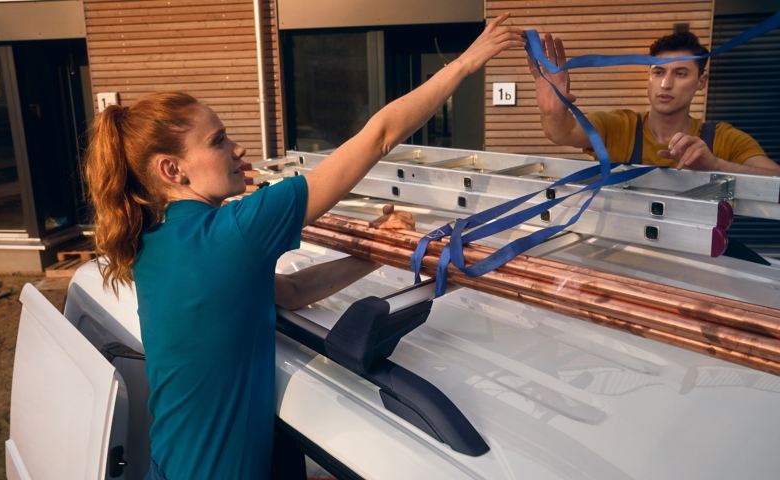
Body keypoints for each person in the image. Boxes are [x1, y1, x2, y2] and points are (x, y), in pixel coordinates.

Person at [83, 14, 524, 480]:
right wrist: (468, 62)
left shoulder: (159, 240)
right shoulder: (233, 232)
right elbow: (379, 136)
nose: (236, 148)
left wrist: (373, 247)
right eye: (218, 141)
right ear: (173, 171)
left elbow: (290, 293)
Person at [528, 30, 780, 176]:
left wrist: (715, 165)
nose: (666, 84)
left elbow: (775, 181)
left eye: (680, 74)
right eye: (658, 72)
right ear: (649, 76)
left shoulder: (724, 139)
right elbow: (563, 133)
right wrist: (551, 110)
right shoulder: (619, 127)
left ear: (701, 82)